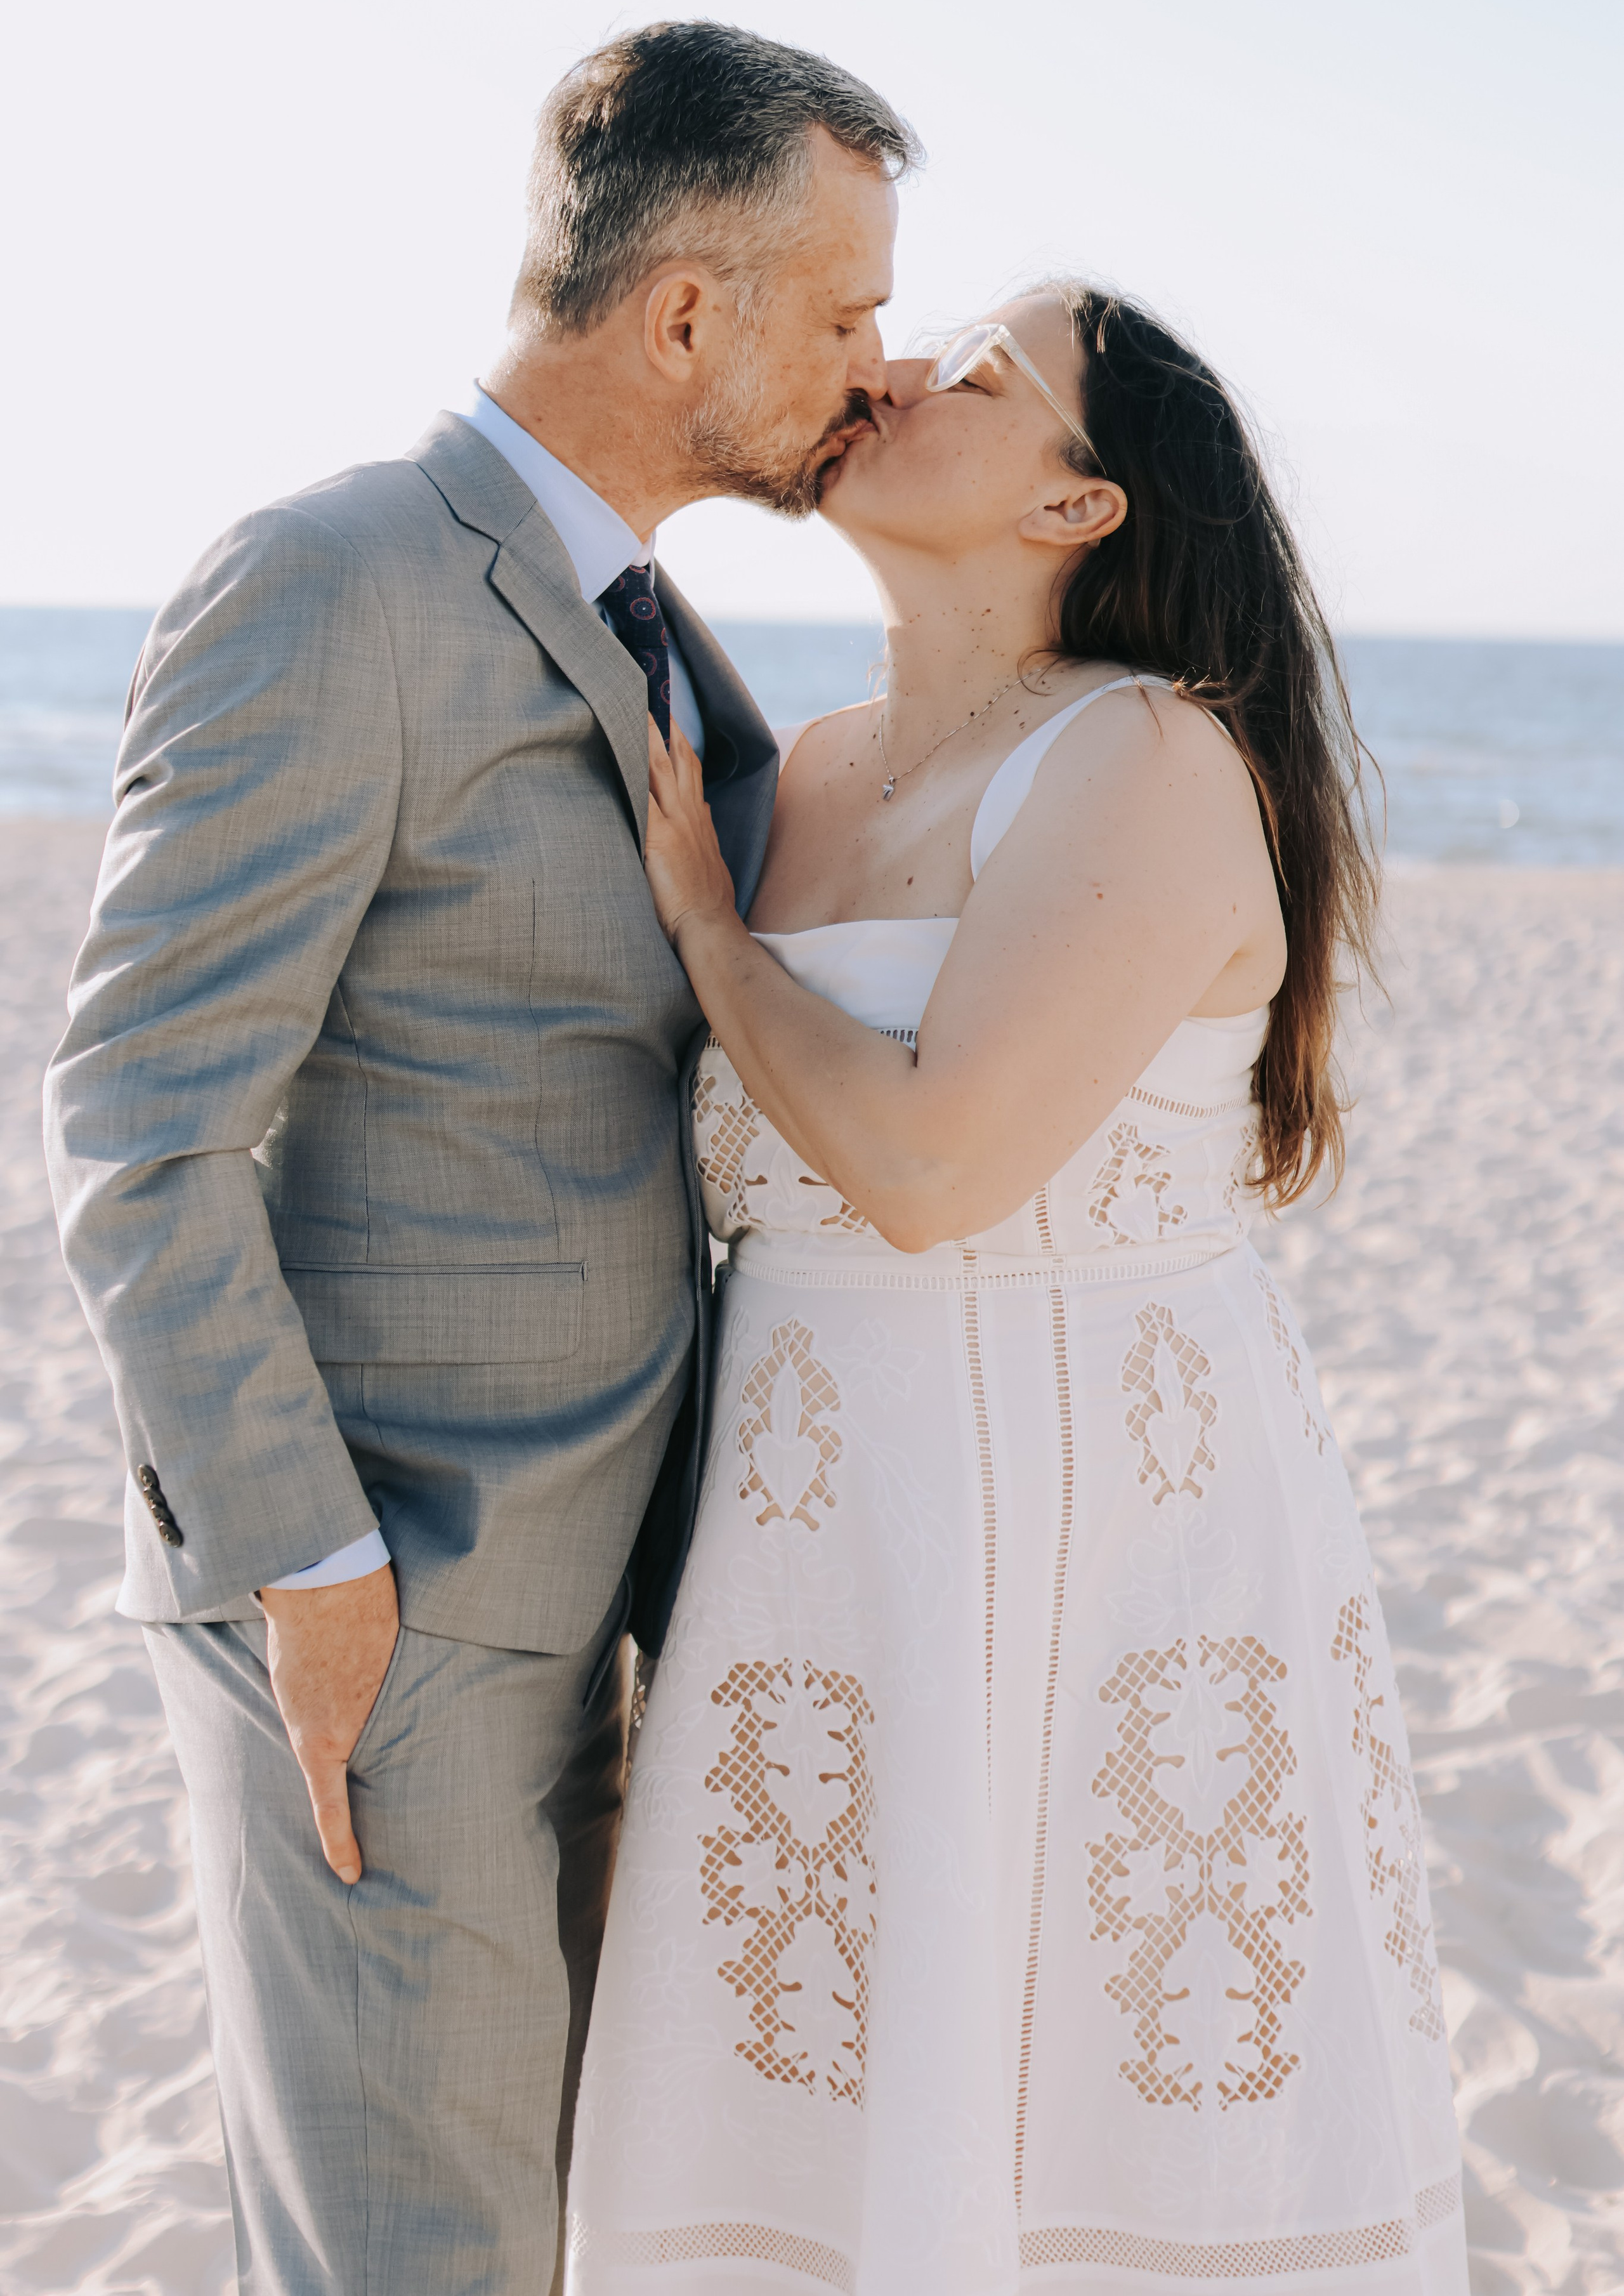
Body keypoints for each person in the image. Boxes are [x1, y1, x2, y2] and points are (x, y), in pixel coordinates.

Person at [43, 22, 916, 2293]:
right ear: (688, 313)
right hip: (395, 1625)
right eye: (844, 314)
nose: (876, 365)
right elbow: (141, 1123)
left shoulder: (653, 623)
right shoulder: (337, 583)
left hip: (615, 1618)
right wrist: (308, 1575)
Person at [565, 288, 1467, 2293]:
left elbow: (928, 1166)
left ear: (1078, 503)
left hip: (1099, 1550)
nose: (891, 373)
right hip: (829, 1563)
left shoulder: (1142, 758)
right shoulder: (793, 768)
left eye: (974, 373)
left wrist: (715, 947)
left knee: (1078, 2125)